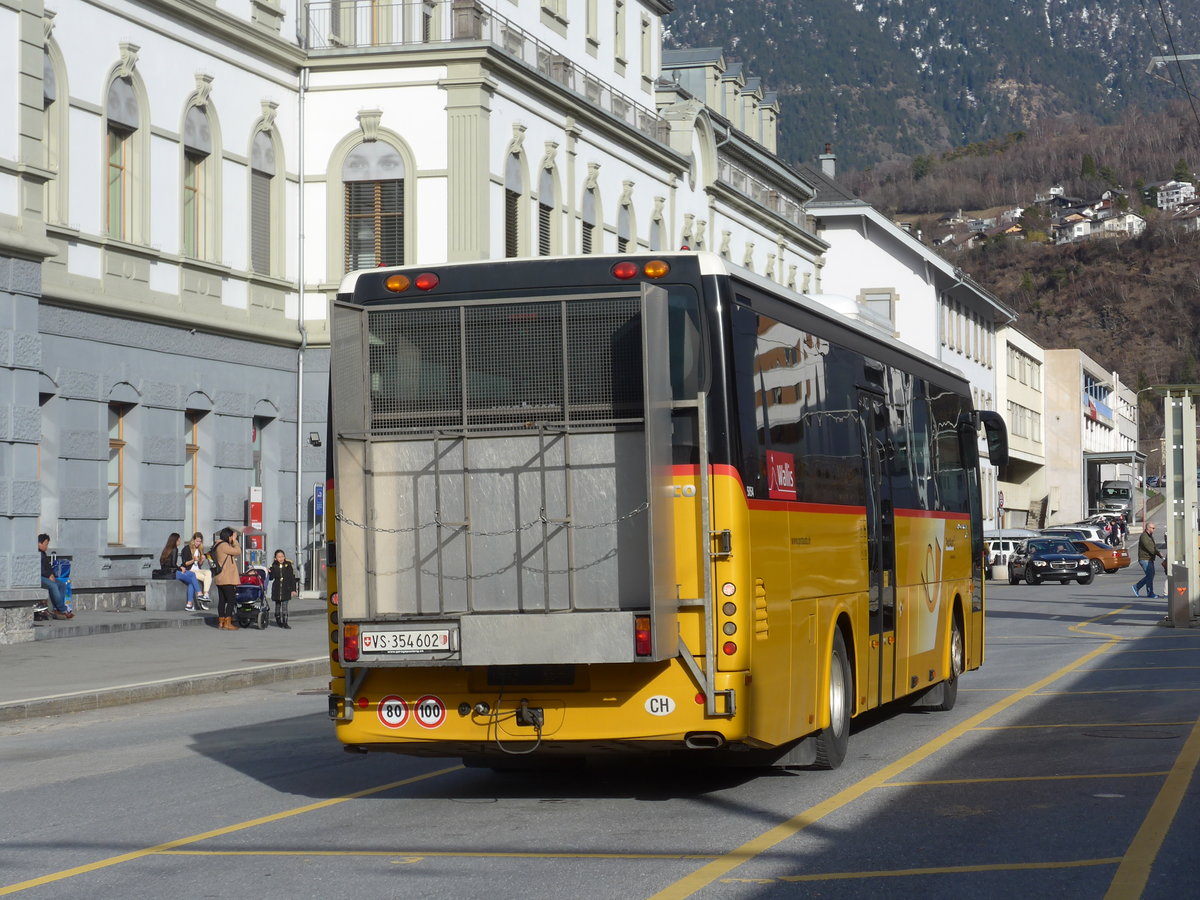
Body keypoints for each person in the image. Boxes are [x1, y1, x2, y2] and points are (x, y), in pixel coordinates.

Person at [160, 532, 204, 611]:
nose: (180, 541)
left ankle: (197, 595)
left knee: (192, 574)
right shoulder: (175, 549)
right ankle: (191, 601)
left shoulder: (167, 549)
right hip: (173, 573)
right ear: (176, 540)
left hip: (167, 572)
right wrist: (180, 569)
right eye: (179, 539)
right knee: (191, 581)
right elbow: (173, 564)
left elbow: (165, 564)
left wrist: (180, 568)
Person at [211, 527, 243, 631]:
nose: (232, 538)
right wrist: (235, 541)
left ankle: (221, 622)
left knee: (222, 600)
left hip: (220, 577)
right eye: (231, 536)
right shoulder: (224, 545)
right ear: (228, 536)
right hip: (226, 578)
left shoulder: (217, 544)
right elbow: (238, 551)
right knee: (231, 599)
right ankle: (227, 623)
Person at [39, 533, 73, 620]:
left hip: (46, 576)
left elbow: (48, 567)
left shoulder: (43, 553)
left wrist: (52, 574)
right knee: (53, 585)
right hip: (39, 577)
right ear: (40, 543)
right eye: (46, 544)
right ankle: (62, 609)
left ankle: (56, 609)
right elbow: (38, 569)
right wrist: (48, 575)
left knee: (62, 585)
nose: (47, 547)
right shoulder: (36, 553)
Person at [181, 532, 212, 611]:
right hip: (190, 571)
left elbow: (199, 564)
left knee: (208, 572)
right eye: (197, 541)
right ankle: (202, 601)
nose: (198, 543)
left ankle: (205, 594)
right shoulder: (187, 549)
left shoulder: (200, 549)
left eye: (200, 541)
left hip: (197, 570)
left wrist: (202, 560)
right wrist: (193, 560)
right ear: (193, 540)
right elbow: (185, 563)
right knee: (204, 579)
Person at [268, 549, 298, 629]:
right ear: (275, 558)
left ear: (284, 557)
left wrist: (293, 589)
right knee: (277, 606)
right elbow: (271, 578)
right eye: (278, 557)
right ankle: (278, 620)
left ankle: (285, 622)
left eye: (282, 556)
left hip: (286, 588)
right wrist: (270, 572)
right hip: (277, 588)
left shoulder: (288, 565)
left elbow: (292, 578)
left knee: (285, 606)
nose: (281, 558)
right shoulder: (274, 566)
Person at [1133, 522, 1164, 598]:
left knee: (1150, 575)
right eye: (1153, 528)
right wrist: (1159, 554)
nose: (1154, 529)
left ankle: (1138, 587)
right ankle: (1148, 592)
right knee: (1150, 575)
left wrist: (1158, 552)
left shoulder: (1149, 536)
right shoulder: (1144, 536)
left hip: (1149, 558)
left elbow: (1153, 546)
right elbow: (1150, 548)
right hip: (1145, 559)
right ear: (1148, 528)